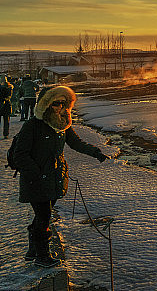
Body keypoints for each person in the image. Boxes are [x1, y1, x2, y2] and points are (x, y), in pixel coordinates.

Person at [13, 85, 109, 267]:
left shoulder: (62, 123)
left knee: (42, 216)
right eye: (56, 103)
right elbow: (20, 155)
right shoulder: (32, 126)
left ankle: (33, 250)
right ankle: (42, 256)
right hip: (36, 180)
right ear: (46, 104)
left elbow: (76, 143)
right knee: (44, 216)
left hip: (56, 177)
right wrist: (37, 174)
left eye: (64, 104)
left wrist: (97, 153)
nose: (60, 107)